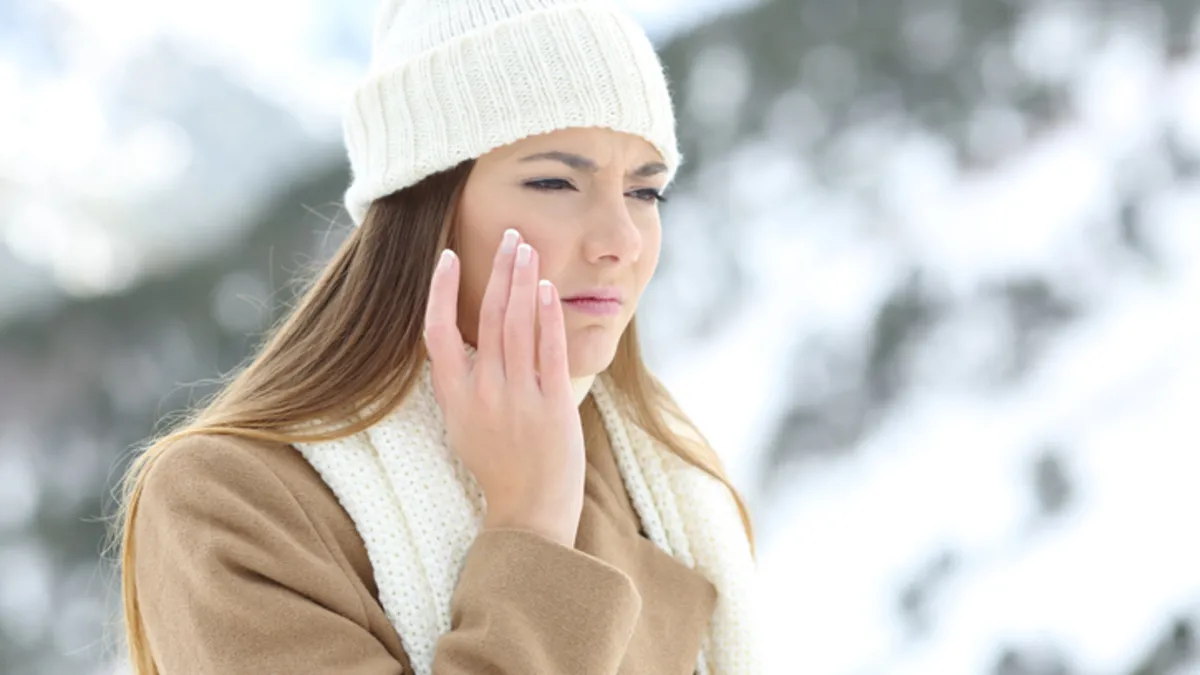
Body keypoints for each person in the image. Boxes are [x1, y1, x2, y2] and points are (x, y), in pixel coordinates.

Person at [113, 1, 761, 673]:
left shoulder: (661, 479)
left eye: (646, 191)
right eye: (555, 181)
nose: (621, 241)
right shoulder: (233, 500)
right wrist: (531, 523)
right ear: (424, 203)